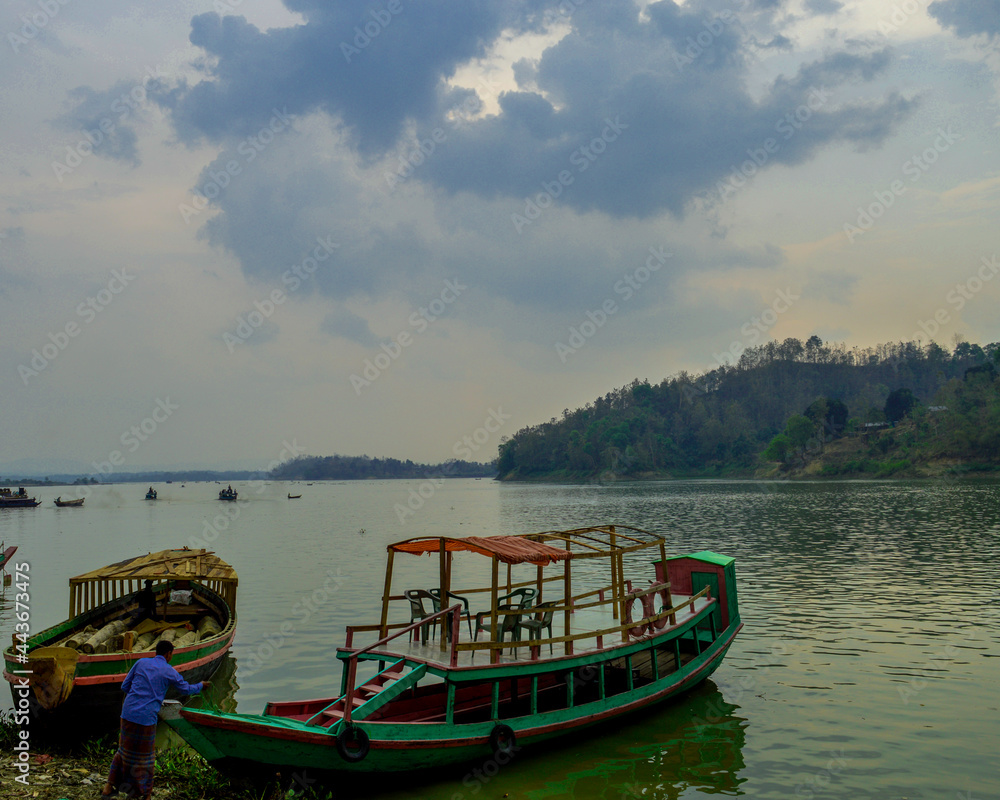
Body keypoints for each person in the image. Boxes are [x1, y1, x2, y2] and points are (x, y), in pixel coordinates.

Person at [103, 640, 211, 799]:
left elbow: (125, 686)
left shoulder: (141, 663)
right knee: (145, 758)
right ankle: (144, 795)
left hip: (127, 713)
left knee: (124, 752)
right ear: (168, 654)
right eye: (171, 654)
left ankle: (108, 787)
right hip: (146, 718)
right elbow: (186, 689)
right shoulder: (169, 671)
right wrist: (201, 685)